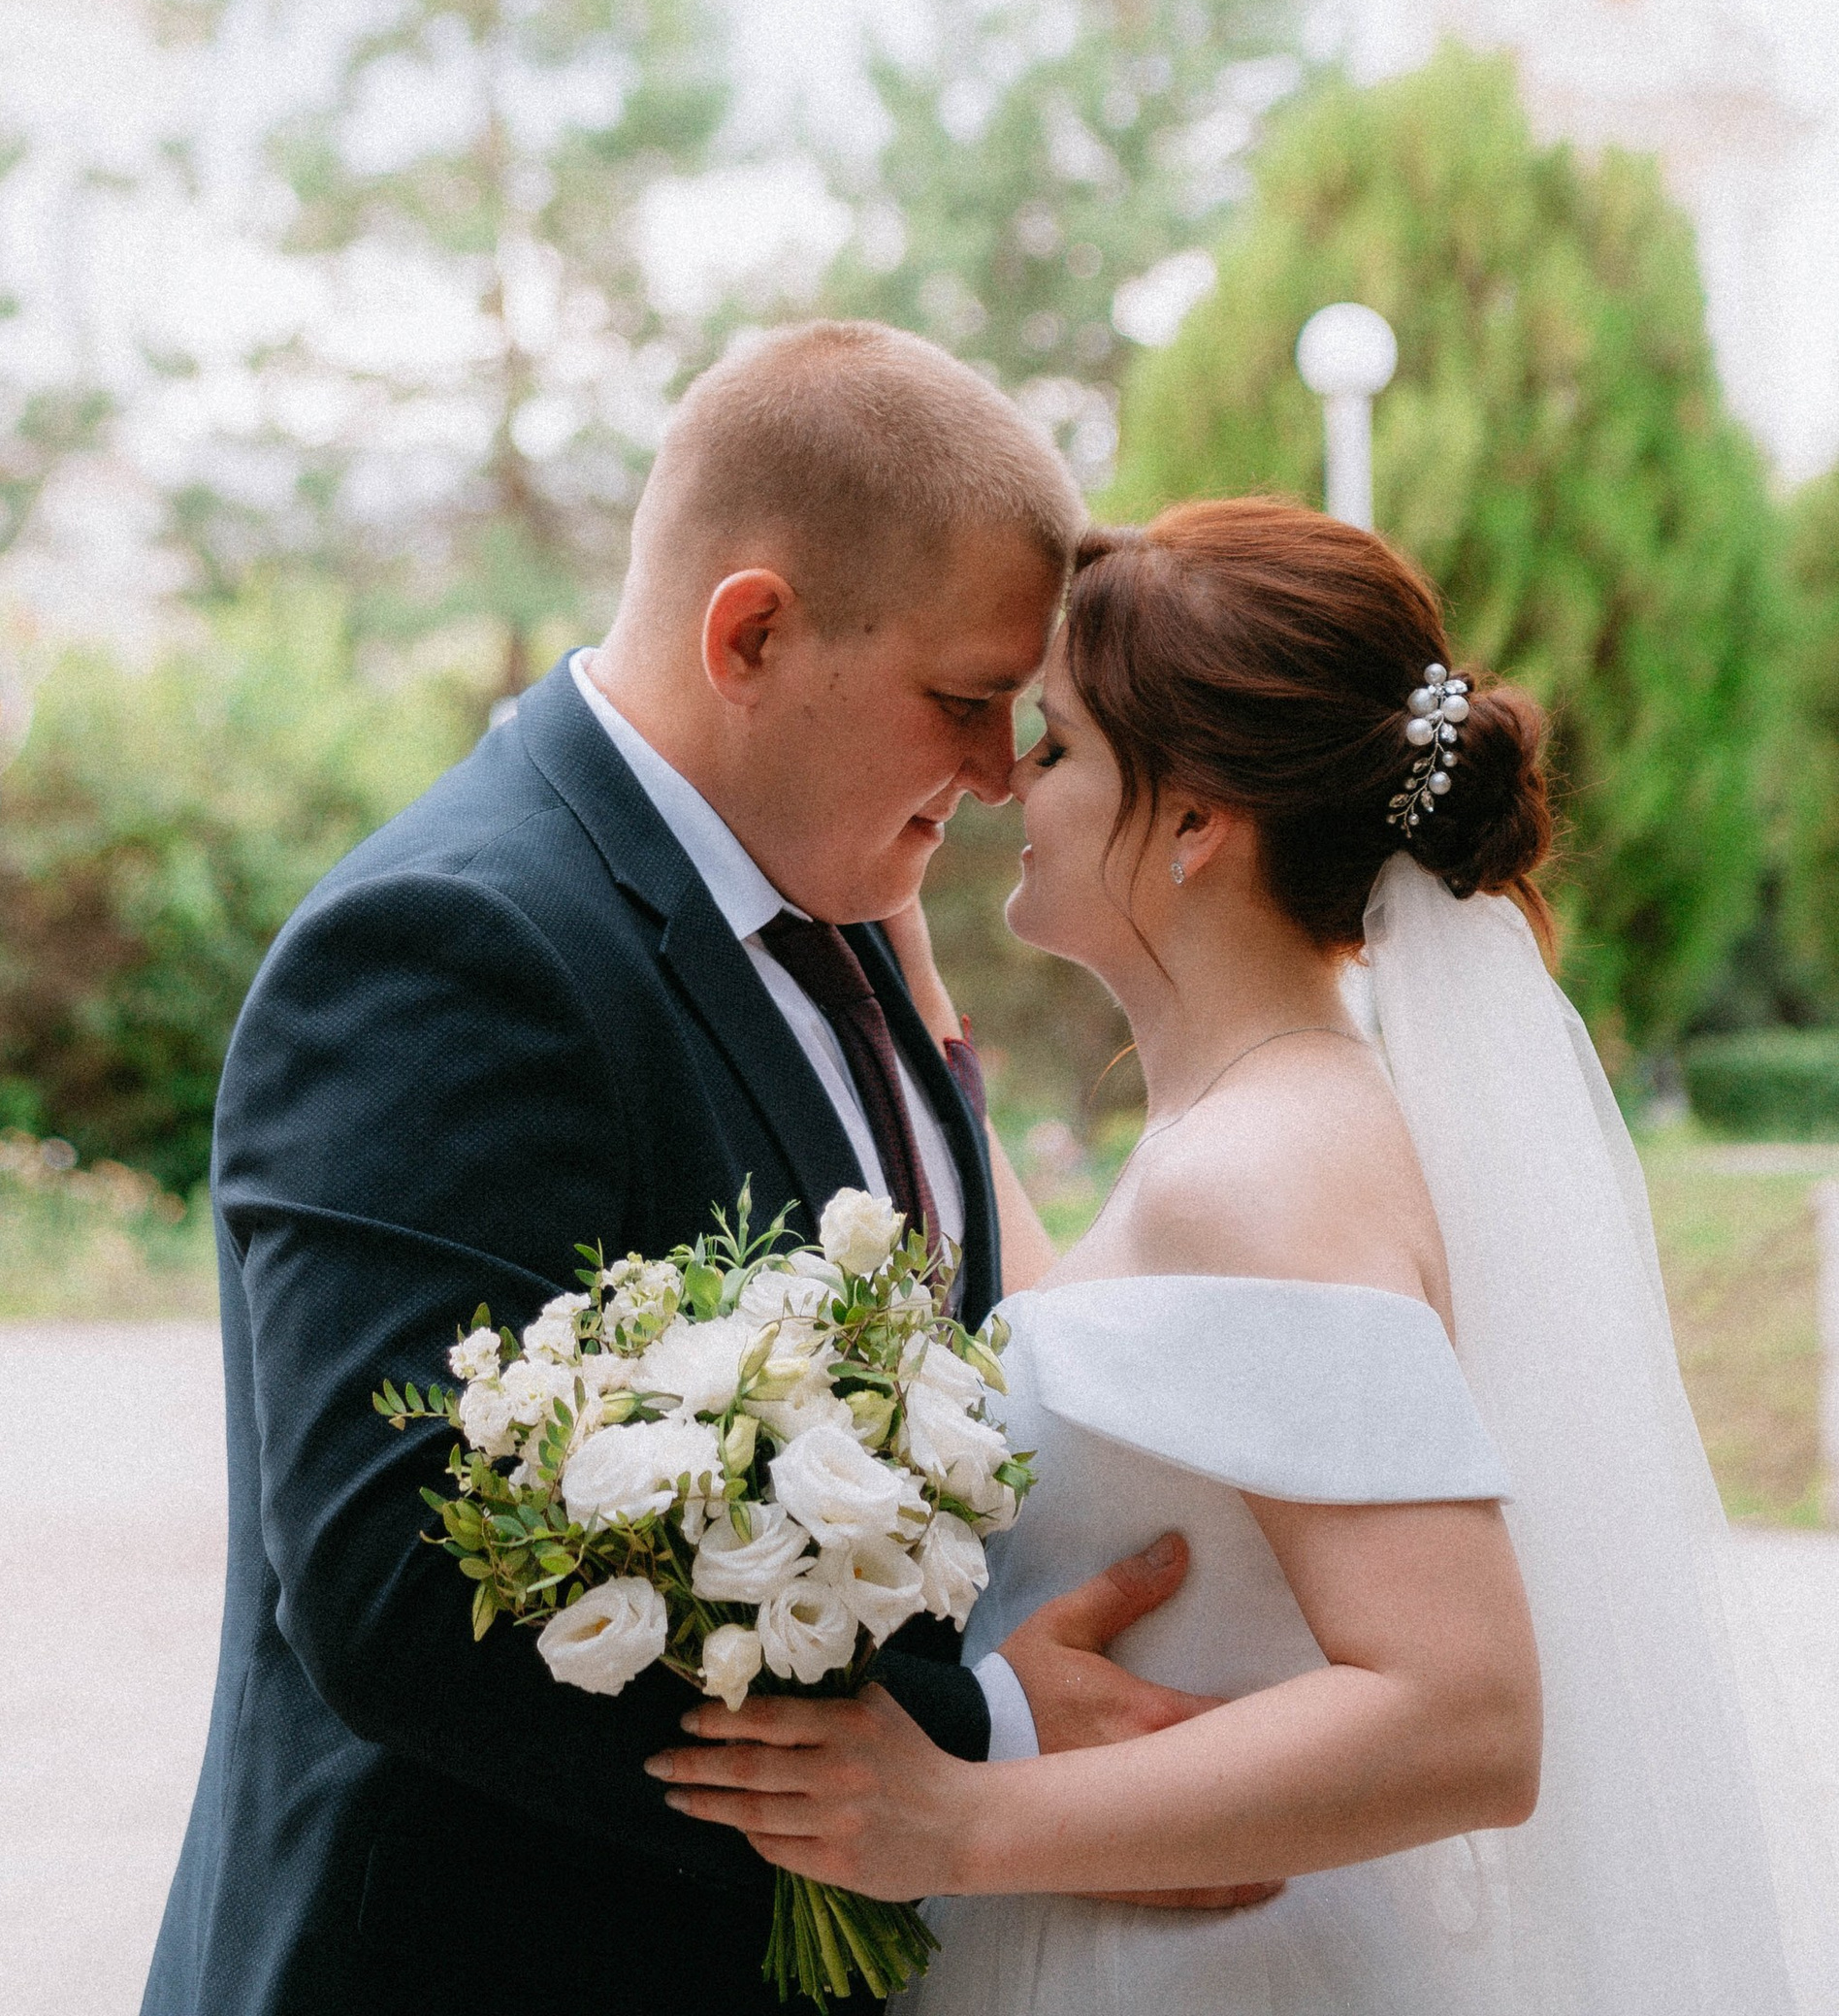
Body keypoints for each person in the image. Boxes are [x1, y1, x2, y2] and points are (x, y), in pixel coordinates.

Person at [140, 326, 1263, 2016]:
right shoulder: (450, 948)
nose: (988, 773)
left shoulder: (837, 890)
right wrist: (992, 1742)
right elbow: (398, 1597)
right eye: (963, 702)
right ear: (752, 632)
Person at [651, 499, 1826, 2014]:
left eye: (1058, 746)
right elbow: (1099, 1326)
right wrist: (912, 986)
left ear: (1198, 821)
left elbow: (1464, 1715)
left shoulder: (1269, 1168)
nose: (1009, 778)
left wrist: (958, 1819)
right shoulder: (1255, 1126)